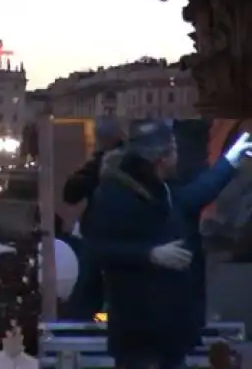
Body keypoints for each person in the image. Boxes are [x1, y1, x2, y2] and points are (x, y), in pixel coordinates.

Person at [87, 120, 252, 369]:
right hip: (140, 335)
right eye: (173, 149)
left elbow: (196, 195)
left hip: (172, 333)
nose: (178, 155)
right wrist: (150, 255)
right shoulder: (114, 196)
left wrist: (231, 160)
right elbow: (99, 249)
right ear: (161, 158)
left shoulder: (161, 189)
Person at [62, 116, 123, 320]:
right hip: (122, 239)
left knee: (87, 292)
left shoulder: (100, 165)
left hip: (101, 238)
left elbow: (70, 194)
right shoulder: (137, 162)